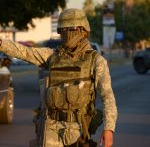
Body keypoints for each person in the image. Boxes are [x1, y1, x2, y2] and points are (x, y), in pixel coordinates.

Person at [0, 8, 117, 147]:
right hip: (51, 127)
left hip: (78, 129)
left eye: (71, 29)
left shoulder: (96, 60)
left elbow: (107, 96)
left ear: (82, 30)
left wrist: (109, 128)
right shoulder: (52, 56)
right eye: (63, 30)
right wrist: (2, 44)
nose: (67, 33)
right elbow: (25, 52)